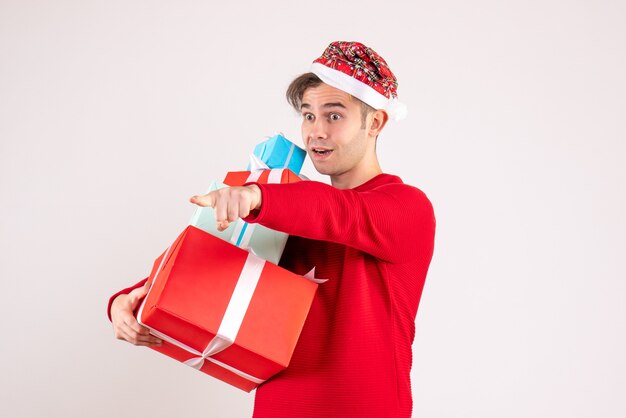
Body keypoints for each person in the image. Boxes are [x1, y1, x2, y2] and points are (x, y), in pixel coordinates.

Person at [109, 41, 436, 418]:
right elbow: (211, 263)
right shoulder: (286, 212)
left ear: (375, 122)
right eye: (308, 115)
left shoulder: (407, 207)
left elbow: (339, 213)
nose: (315, 132)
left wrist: (256, 196)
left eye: (334, 116)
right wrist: (129, 298)